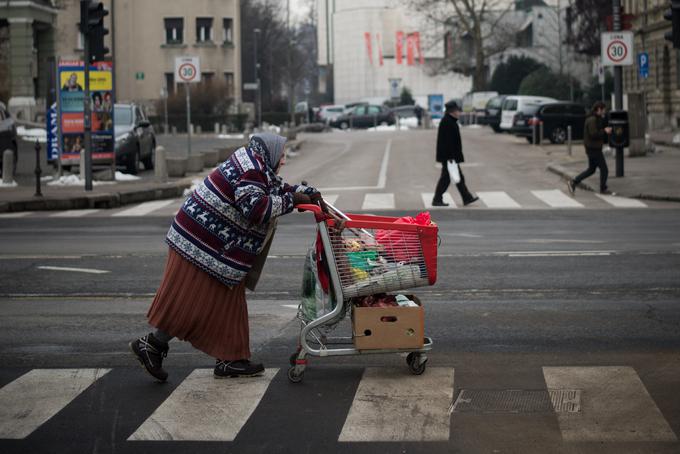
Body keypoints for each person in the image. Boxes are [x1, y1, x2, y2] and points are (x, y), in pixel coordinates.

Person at [130, 133, 324, 382]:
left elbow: (272, 187)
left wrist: (301, 192)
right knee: (188, 305)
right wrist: (292, 200)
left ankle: (230, 359)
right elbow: (255, 207)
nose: (284, 161)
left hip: (208, 243)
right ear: (271, 153)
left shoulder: (256, 164)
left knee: (220, 303)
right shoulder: (251, 169)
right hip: (198, 243)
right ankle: (154, 345)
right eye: (283, 155)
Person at [432, 100, 478, 207]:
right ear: (452, 111)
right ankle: (437, 199)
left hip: (450, 156)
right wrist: (451, 157)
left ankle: (466, 197)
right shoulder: (447, 122)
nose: (459, 112)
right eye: (457, 110)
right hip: (449, 157)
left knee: (457, 177)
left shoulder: (450, 121)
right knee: (446, 178)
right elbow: (447, 142)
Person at [567, 101, 613, 195]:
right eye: (603, 110)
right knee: (604, 169)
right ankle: (603, 189)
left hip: (592, 148)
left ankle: (574, 182)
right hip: (593, 148)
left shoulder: (595, 118)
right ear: (599, 109)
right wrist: (604, 131)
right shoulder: (592, 120)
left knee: (591, 170)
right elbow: (593, 134)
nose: (604, 112)